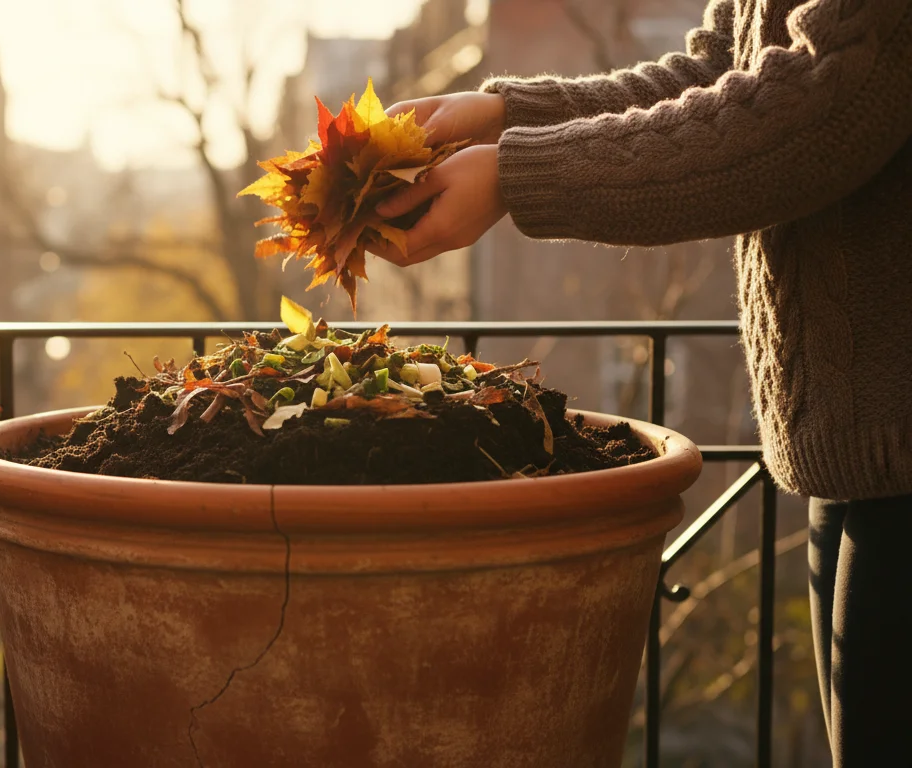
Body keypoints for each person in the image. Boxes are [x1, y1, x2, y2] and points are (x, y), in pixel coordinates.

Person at [376, 0, 912, 764]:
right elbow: (717, 76)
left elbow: (824, 97)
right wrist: (506, 114)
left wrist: (518, 174)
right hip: (860, 459)